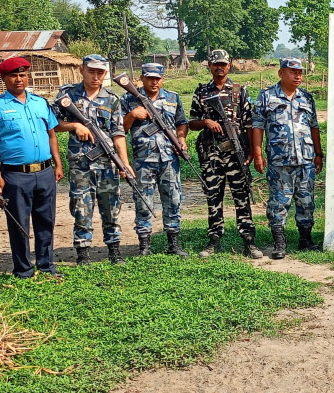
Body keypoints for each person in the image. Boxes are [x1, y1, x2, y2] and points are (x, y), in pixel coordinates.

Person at [0, 56, 64, 280]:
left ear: (28, 76)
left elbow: (52, 135)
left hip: (45, 172)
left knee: (46, 221)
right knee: (19, 225)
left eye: (22, 75)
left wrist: (58, 163)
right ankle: (24, 271)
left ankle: (46, 266)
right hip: (15, 176)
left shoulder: (40, 103)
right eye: (13, 76)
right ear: (4, 78)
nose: (19, 79)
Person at [53, 54, 134, 265]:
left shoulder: (111, 99)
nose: (95, 76)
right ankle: (83, 254)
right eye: (91, 71)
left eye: (100, 72)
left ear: (105, 74)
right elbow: (52, 123)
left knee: (111, 207)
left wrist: (124, 163)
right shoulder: (68, 95)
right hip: (81, 164)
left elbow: (118, 134)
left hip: (107, 163)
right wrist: (74, 125)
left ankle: (114, 252)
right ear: (82, 70)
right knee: (81, 206)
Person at [190, 49, 263, 259]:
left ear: (229, 66)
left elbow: (249, 123)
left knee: (242, 196)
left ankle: (249, 241)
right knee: (214, 197)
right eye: (216, 64)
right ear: (210, 66)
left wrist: (250, 152)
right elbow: (192, 122)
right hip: (211, 154)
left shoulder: (240, 90)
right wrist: (206, 122)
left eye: (223, 64)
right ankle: (214, 241)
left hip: (236, 153)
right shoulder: (202, 91)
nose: (219, 67)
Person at [251, 57, 324, 260]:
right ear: (281, 73)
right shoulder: (266, 96)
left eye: (300, 72)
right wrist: (257, 154)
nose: (298, 75)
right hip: (279, 160)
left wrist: (319, 154)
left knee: (306, 201)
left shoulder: (306, 98)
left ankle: (305, 240)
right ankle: (279, 243)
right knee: (278, 203)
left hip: (305, 160)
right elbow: (257, 125)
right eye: (293, 72)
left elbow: (314, 127)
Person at [122, 62, 189, 258]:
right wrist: (132, 115)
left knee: (173, 201)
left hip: (169, 159)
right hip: (143, 160)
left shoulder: (173, 97)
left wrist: (182, 139)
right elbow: (120, 129)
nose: (154, 82)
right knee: (143, 202)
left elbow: (182, 122)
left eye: (157, 78)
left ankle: (173, 245)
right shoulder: (128, 98)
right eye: (150, 78)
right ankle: (144, 246)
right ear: (141, 78)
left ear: (163, 79)